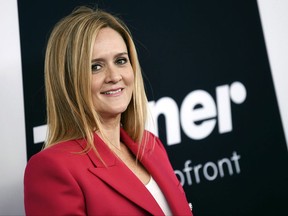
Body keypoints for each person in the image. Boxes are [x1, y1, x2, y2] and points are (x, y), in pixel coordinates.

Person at [24, 6, 193, 216]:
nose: (114, 76)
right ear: (69, 81)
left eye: (121, 61)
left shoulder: (150, 145)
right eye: (95, 66)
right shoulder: (52, 169)